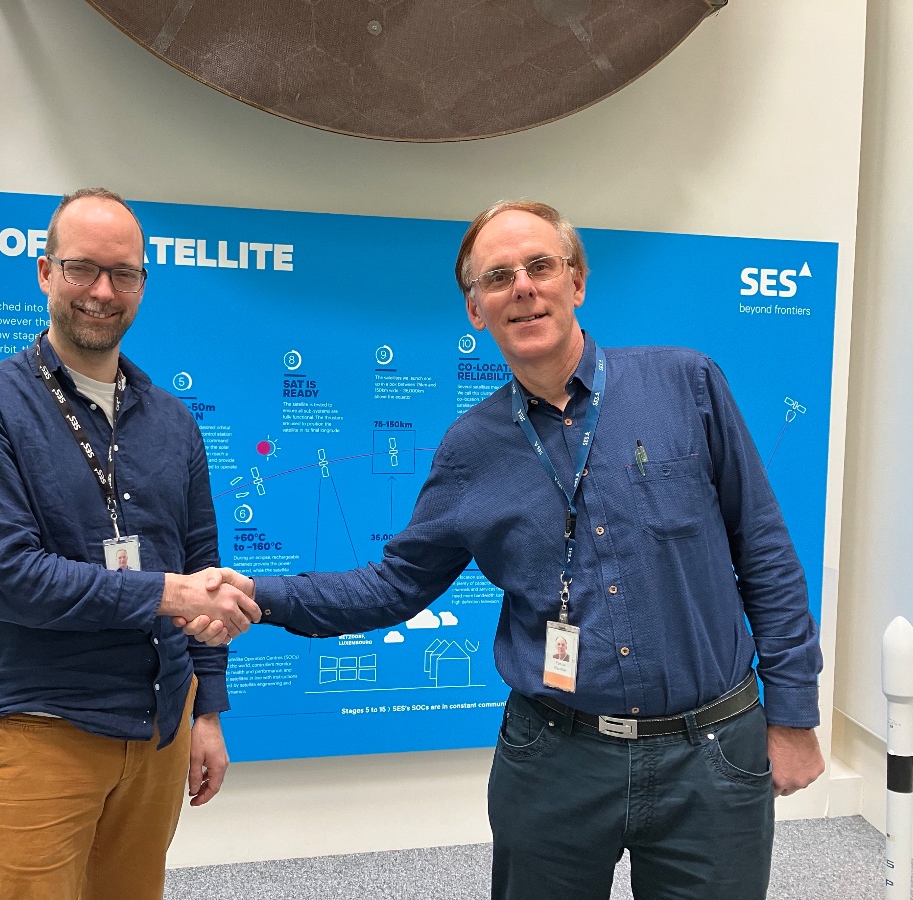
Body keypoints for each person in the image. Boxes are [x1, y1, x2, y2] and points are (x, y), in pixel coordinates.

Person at [186, 201, 824, 899]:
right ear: (476, 310)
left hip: (709, 755)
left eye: (540, 266)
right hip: (555, 759)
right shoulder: (471, 449)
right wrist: (259, 594)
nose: (522, 287)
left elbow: (763, 550)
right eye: (497, 278)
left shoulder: (685, 384)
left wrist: (792, 713)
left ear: (576, 282)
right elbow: (394, 585)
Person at [0, 187, 260, 900]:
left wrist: (206, 711)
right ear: (46, 271)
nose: (102, 292)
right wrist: (167, 594)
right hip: (40, 726)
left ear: (143, 283)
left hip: (159, 729)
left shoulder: (172, 420)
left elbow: (200, 560)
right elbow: (9, 579)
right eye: (82, 269)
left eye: (124, 274)